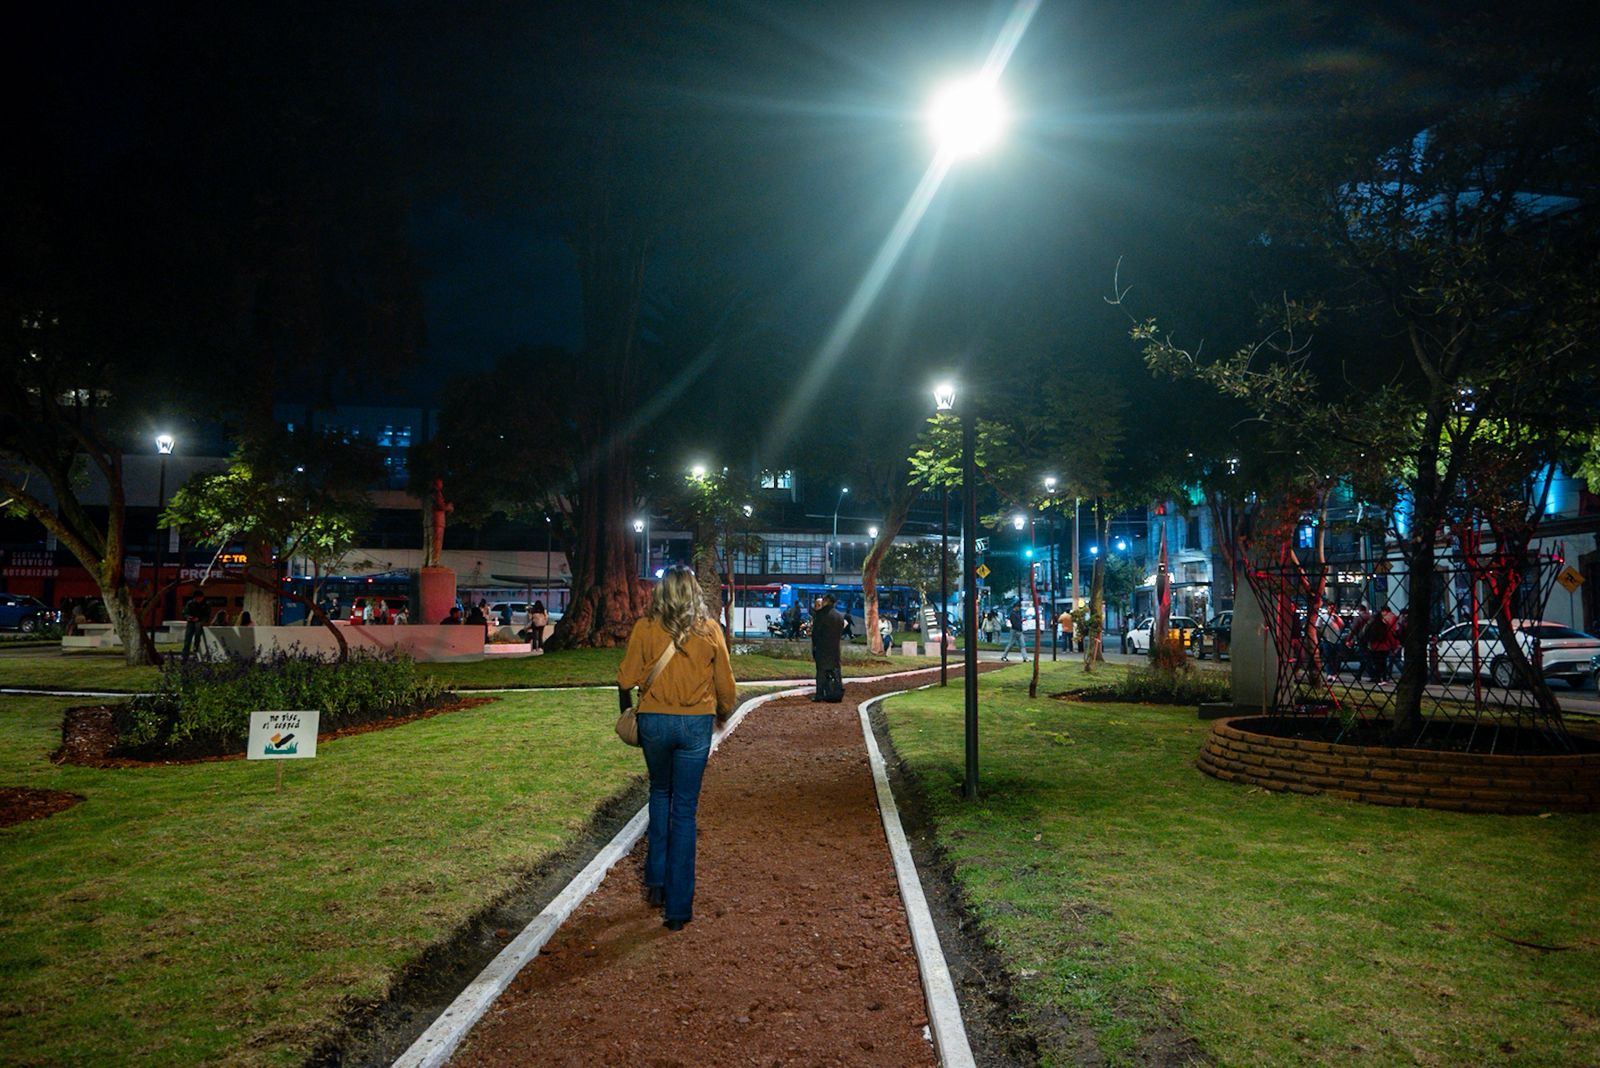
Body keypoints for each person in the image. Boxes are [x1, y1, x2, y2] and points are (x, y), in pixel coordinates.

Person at [616, 565, 737, 932]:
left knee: (659, 792)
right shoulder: (710, 629)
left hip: (654, 721)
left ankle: (655, 882)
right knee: (684, 809)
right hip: (695, 723)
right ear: (693, 592)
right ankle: (679, 908)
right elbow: (726, 685)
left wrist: (626, 711)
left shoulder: (644, 628)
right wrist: (723, 713)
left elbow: (625, 678)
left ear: (661, 592)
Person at [810, 594, 846, 702]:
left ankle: (820, 695)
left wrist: (815, 646)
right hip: (835, 648)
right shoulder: (840, 616)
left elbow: (815, 633)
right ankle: (836, 692)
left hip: (822, 648)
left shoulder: (821, 615)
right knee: (835, 671)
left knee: (821, 671)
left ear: (826, 601)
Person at [1367, 607, 1400, 684]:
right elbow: (1390, 635)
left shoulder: (1373, 626)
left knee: (1377, 663)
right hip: (1385, 647)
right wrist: (1393, 645)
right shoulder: (1385, 625)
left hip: (1375, 647)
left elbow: (1369, 635)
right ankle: (1384, 678)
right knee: (1384, 663)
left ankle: (1378, 678)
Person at [181, 591, 207, 660]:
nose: (198, 599)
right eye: (197, 598)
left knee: (197, 639)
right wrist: (188, 617)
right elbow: (184, 612)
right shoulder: (190, 603)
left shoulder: (206, 604)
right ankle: (185, 656)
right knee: (188, 640)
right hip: (191, 623)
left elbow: (206, 615)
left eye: (199, 598)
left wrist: (199, 619)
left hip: (199, 623)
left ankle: (196, 655)